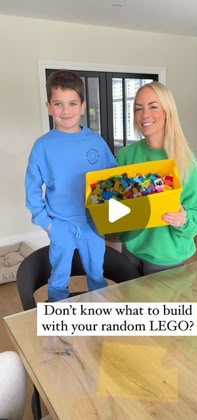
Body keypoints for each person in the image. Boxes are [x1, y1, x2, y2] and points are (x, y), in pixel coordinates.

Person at [25, 70, 117, 301]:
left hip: (94, 225)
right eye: (58, 103)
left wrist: (112, 215)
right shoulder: (43, 147)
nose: (66, 111)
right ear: (49, 106)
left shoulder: (96, 141)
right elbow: (32, 189)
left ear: (83, 106)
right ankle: (60, 329)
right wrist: (47, 225)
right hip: (60, 225)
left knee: (96, 274)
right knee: (58, 279)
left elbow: (114, 181)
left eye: (72, 103)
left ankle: (98, 321)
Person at [117, 81, 197, 275]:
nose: (145, 115)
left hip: (166, 254)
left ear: (168, 111)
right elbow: (119, 200)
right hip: (130, 250)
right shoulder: (126, 155)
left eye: (153, 107)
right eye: (139, 109)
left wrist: (184, 218)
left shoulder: (186, 160)